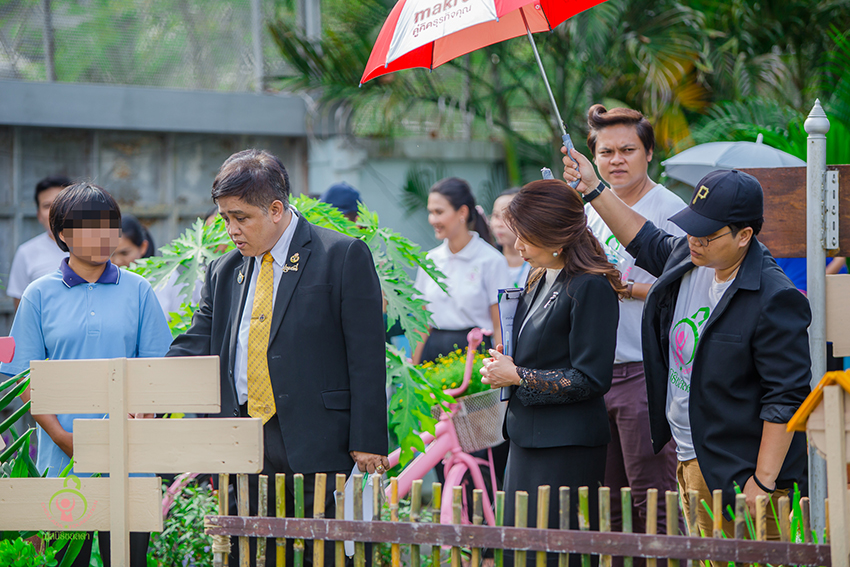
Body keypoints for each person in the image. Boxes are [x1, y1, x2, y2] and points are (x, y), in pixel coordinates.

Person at [562, 150, 811, 549]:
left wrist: (762, 482)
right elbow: (645, 239)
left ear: (744, 235)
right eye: (691, 229)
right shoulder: (690, 258)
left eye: (706, 234)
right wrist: (593, 187)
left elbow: (786, 398)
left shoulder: (774, 297)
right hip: (690, 456)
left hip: (740, 472)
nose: (693, 240)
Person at [165, 149, 389, 567]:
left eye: (241, 217)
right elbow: (196, 341)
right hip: (244, 435)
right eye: (224, 218)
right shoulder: (224, 270)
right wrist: (148, 392)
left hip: (320, 438)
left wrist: (368, 440)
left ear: (275, 209)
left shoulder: (340, 255)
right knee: (251, 552)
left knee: (325, 552)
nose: (231, 229)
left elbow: (367, 355)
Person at [0, 182, 172, 566]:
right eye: (90, 228)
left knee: (128, 559)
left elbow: (157, 369)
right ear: (63, 234)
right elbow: (23, 377)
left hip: (130, 461)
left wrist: (137, 424)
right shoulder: (38, 294)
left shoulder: (139, 290)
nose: (104, 236)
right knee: (68, 559)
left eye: (110, 226)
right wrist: (62, 437)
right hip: (63, 459)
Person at [480, 179, 623, 567]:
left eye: (526, 236)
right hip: (525, 436)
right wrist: (505, 364)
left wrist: (518, 376)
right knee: (520, 552)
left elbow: (591, 378)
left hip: (565, 445)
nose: (517, 245)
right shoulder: (539, 274)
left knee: (555, 555)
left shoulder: (590, 287)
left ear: (556, 235)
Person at [582, 105, 686, 556]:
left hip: (646, 370)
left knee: (653, 499)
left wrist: (630, 289)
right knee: (609, 502)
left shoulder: (671, 209)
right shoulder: (589, 210)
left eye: (627, 150)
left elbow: (690, 287)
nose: (616, 160)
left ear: (649, 153)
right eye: (606, 152)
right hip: (596, 373)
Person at [412, 177, 510, 364]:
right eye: (430, 212)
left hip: (475, 354)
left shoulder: (491, 260)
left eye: (439, 212)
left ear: (462, 212)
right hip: (432, 355)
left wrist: (500, 367)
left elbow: (499, 325)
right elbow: (421, 323)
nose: (433, 219)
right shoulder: (430, 260)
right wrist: (414, 370)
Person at [7, 175, 72, 310]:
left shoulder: (95, 248)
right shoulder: (26, 252)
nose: (55, 211)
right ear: (38, 215)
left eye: (61, 204)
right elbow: (21, 309)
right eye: (47, 206)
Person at [490, 188, 531, 288]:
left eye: (508, 216)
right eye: (496, 215)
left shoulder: (538, 262)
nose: (498, 224)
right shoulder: (488, 258)